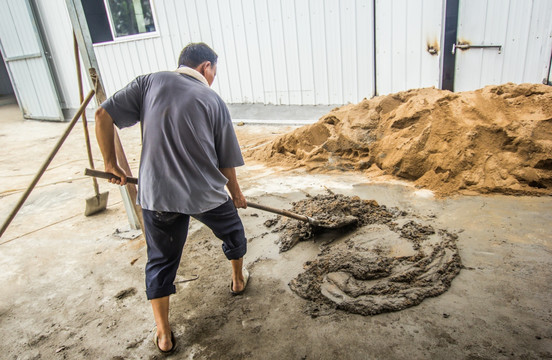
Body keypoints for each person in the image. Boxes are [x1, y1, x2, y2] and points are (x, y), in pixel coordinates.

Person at [94, 42, 249, 353]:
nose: (214, 76)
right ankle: (238, 280)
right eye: (214, 71)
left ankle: (163, 335)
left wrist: (110, 164)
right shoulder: (214, 100)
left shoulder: (149, 82)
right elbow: (225, 160)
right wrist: (235, 193)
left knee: (161, 261)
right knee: (233, 232)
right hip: (204, 193)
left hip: (158, 195)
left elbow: (102, 114)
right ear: (206, 67)